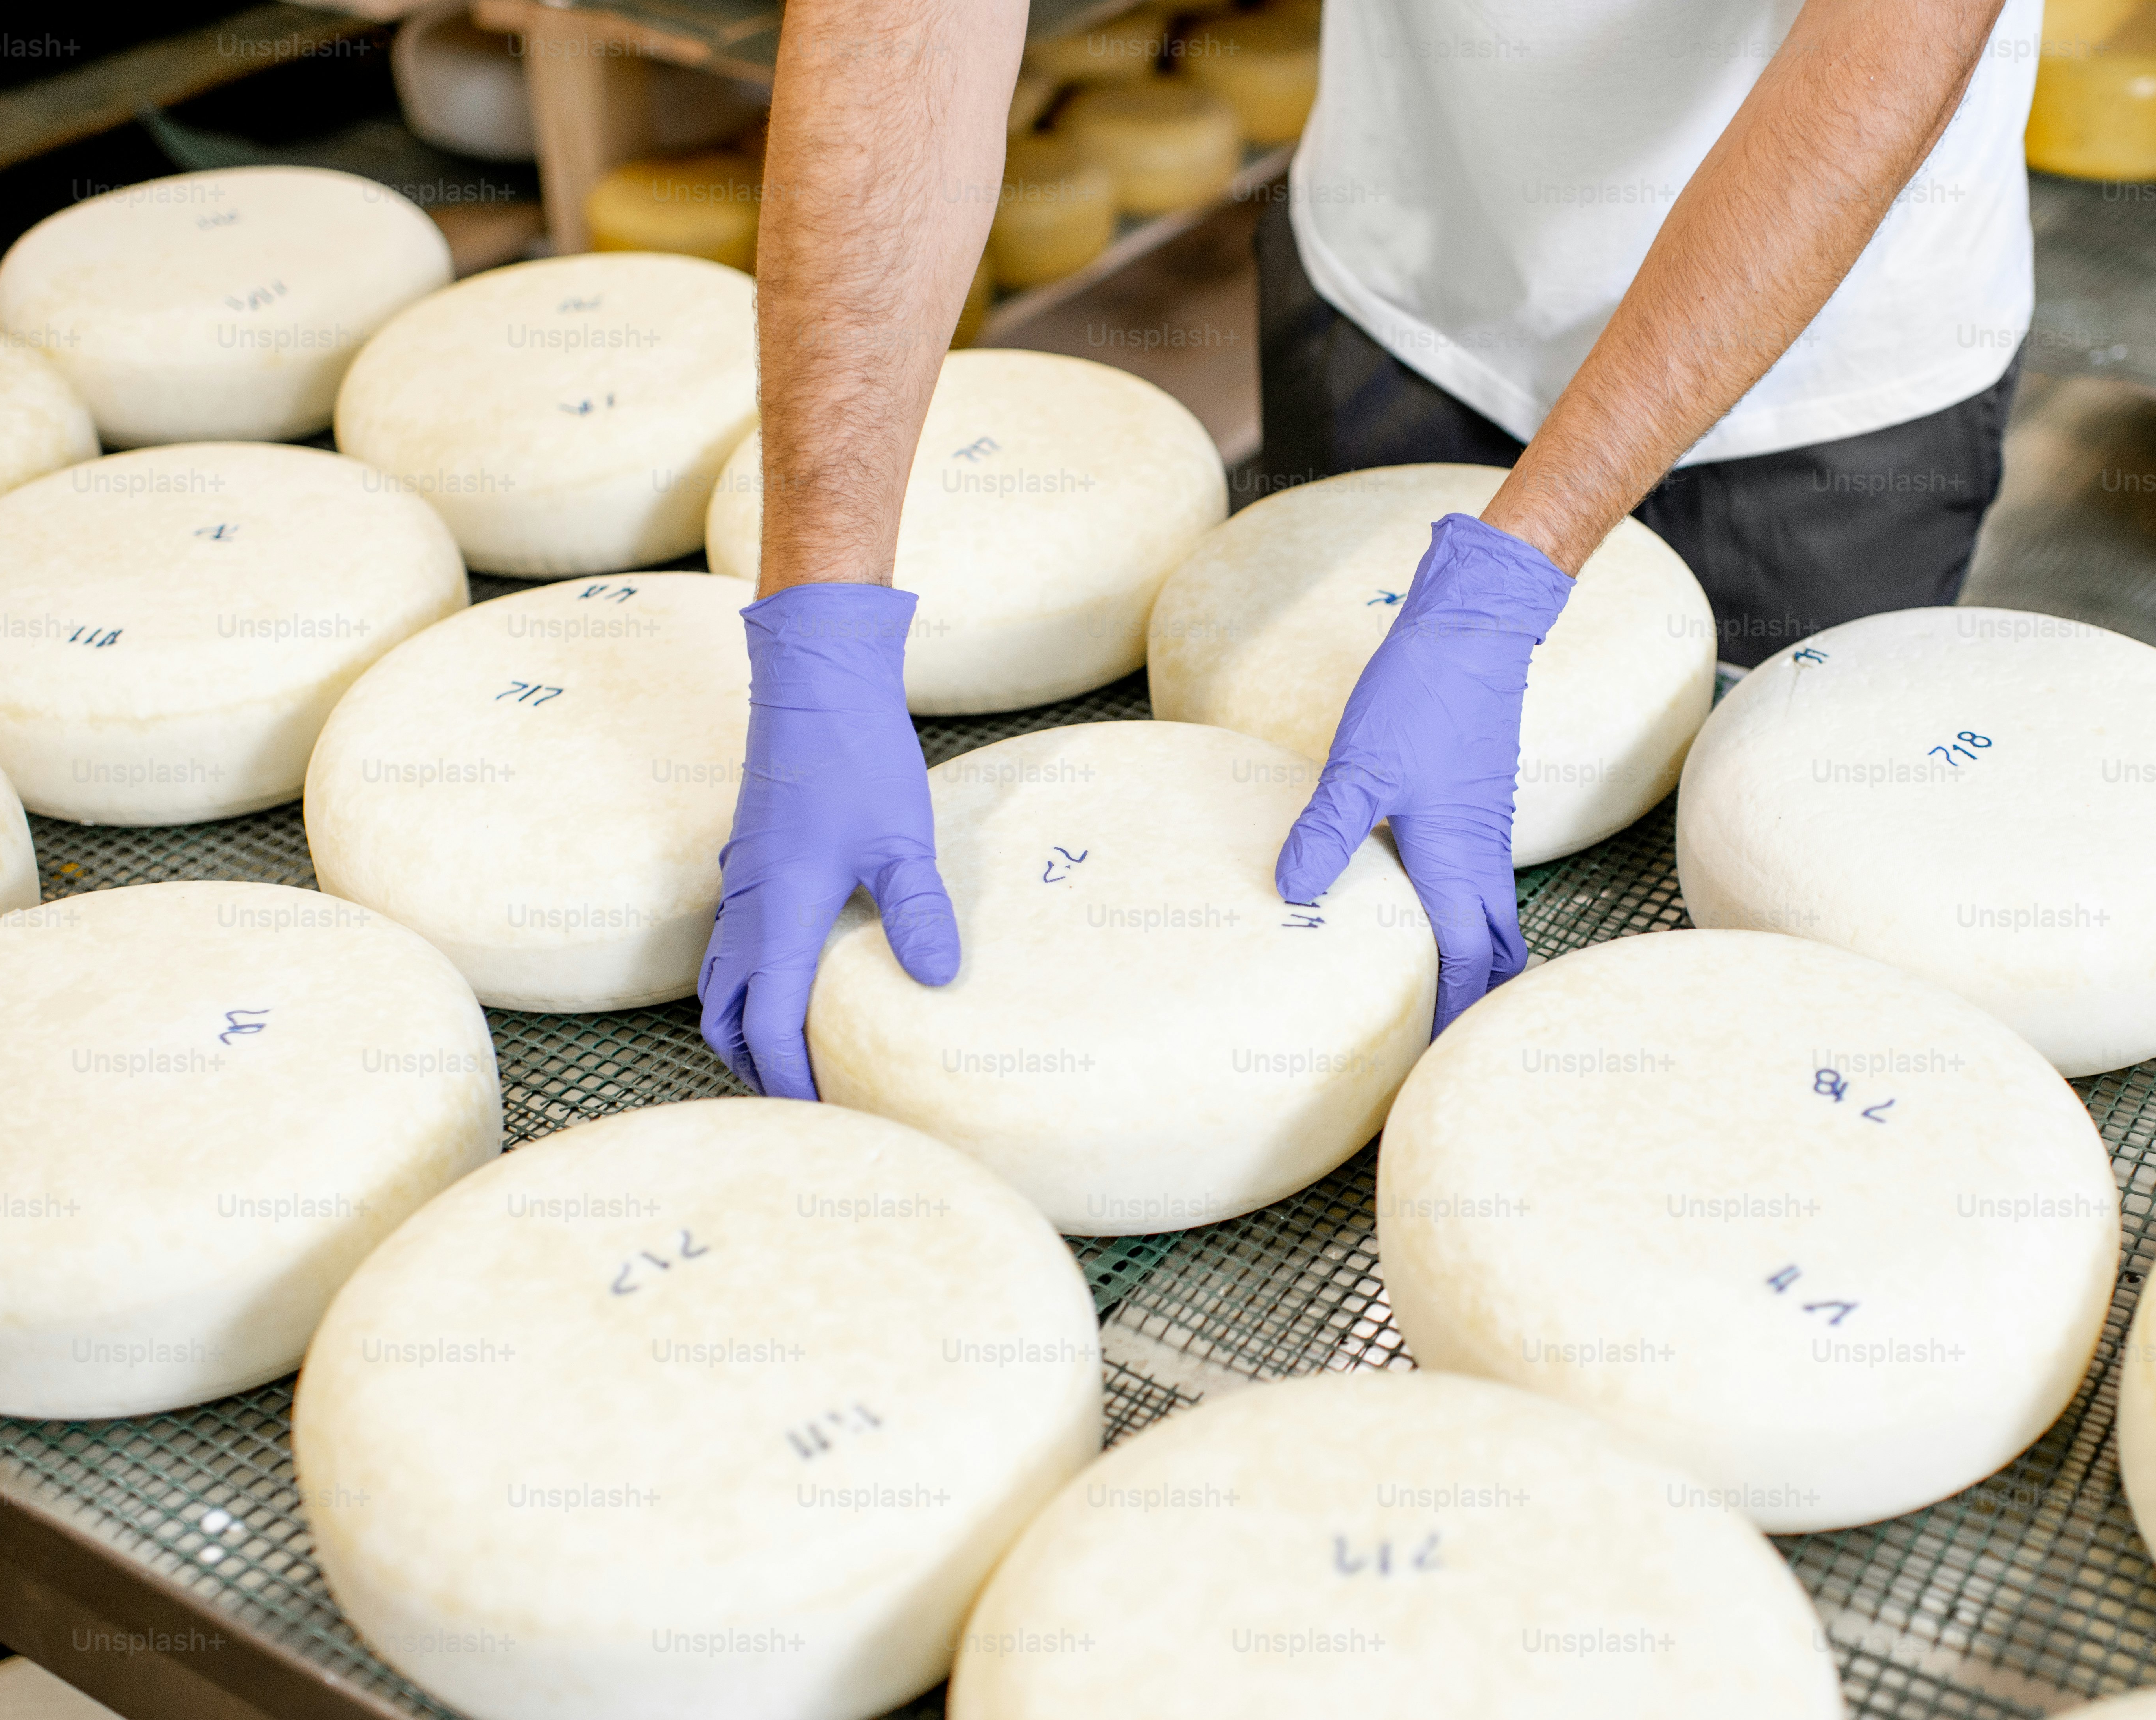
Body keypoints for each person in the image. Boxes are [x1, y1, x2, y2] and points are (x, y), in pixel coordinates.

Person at [702, 0, 2033, 1100]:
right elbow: (907, 28)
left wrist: (1513, 575)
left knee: (1768, 978)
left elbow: (1894, 39)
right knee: (1334, 877)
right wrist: (823, 600)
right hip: (1410, 259)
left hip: (1820, 368)